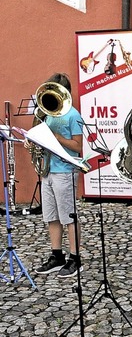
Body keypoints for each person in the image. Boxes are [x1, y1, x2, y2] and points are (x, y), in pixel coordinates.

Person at [31, 73, 84, 278]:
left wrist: (58, 138)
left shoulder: (73, 115)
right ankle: (56, 256)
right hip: (48, 169)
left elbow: (78, 146)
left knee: (68, 216)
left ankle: (75, 258)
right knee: (51, 216)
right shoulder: (46, 113)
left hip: (65, 171)